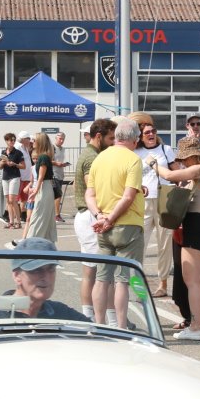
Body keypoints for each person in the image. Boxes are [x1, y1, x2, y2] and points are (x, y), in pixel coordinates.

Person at [150, 136, 200, 340]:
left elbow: (169, 175)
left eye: (184, 158)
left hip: (194, 225)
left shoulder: (198, 169)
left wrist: (154, 164)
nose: (182, 162)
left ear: (194, 156)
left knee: (191, 281)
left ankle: (195, 327)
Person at [86, 117, 145, 326]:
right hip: (128, 224)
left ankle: (99, 324)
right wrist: (111, 219)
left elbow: (89, 194)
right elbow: (128, 197)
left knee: (102, 278)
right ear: (134, 139)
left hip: (102, 224)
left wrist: (99, 216)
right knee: (123, 281)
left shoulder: (99, 158)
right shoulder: (133, 159)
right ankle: (121, 326)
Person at [0, 237, 86, 321]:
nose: (45, 277)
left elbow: (93, 334)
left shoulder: (62, 313)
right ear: (17, 276)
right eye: (36, 270)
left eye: (51, 269)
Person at [71, 118, 116, 320]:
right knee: (102, 273)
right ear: (99, 136)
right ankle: (107, 318)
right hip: (91, 215)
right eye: (111, 138)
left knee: (92, 272)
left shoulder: (90, 154)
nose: (113, 142)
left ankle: (92, 316)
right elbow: (93, 188)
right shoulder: (92, 158)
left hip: (87, 215)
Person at [133, 115, 175, 297]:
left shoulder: (166, 150)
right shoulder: (135, 152)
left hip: (164, 198)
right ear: (140, 136)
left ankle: (163, 284)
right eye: (147, 132)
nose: (151, 134)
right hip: (142, 201)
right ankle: (138, 285)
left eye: (153, 131)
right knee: (138, 244)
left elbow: (176, 171)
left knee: (165, 244)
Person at [23, 132, 58, 247]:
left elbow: (41, 177)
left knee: (38, 216)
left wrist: (35, 190)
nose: (32, 142)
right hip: (45, 188)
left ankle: (31, 244)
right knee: (45, 217)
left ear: (40, 142)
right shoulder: (45, 156)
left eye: (34, 140)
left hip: (44, 188)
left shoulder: (43, 157)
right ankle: (47, 244)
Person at [0, 132, 25, 230]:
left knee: (12, 200)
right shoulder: (3, 152)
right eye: (10, 140)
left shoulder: (18, 153)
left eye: (14, 140)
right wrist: (3, 162)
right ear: (6, 141)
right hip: (5, 177)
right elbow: (0, 167)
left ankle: (18, 222)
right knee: (8, 201)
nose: (12, 142)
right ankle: (11, 222)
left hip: (15, 177)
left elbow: (23, 166)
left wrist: (15, 164)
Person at [51, 131, 69, 221]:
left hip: (60, 174)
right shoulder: (52, 147)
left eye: (63, 139)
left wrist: (63, 164)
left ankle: (54, 214)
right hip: (53, 174)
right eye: (60, 139)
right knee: (58, 195)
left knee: (57, 195)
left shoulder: (63, 149)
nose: (61, 141)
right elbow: (48, 160)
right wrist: (56, 163)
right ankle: (57, 215)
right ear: (56, 138)